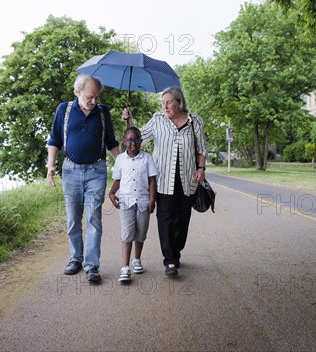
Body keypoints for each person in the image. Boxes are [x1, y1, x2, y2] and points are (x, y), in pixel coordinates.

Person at [123, 87, 207, 276]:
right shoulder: (157, 120)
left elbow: (202, 149)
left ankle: (176, 251)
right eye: (162, 102)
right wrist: (129, 120)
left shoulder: (195, 122)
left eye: (168, 102)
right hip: (163, 179)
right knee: (165, 218)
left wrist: (201, 168)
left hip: (187, 179)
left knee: (182, 219)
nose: (165, 106)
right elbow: (138, 138)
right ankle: (169, 260)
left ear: (179, 102)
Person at [46, 75, 120, 283]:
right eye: (89, 96)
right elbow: (55, 140)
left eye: (96, 97)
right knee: (73, 218)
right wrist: (51, 166)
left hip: (96, 171)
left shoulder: (103, 112)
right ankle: (75, 258)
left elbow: (112, 142)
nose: (93, 101)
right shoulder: (64, 110)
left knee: (94, 218)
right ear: (77, 92)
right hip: (70, 171)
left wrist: (124, 166)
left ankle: (92, 265)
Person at [109, 127, 158, 283]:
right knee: (127, 233)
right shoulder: (120, 160)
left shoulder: (147, 158)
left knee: (141, 232)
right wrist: (111, 193)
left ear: (141, 142)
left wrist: (152, 200)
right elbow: (118, 180)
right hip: (126, 201)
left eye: (136, 140)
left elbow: (152, 180)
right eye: (129, 140)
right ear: (125, 142)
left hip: (143, 200)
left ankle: (137, 259)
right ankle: (125, 267)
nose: (133, 143)